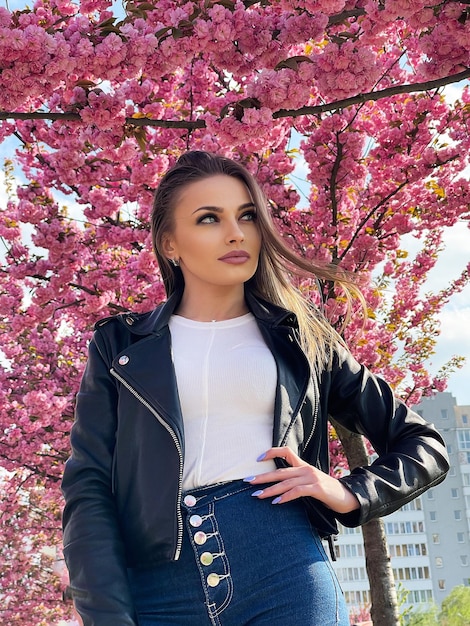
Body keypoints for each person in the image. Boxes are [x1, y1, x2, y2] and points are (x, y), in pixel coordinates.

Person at [61, 150, 449, 626]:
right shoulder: (119, 346)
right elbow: (89, 487)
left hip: (283, 567)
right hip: (156, 585)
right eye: (209, 218)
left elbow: (424, 445)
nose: (236, 232)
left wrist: (348, 493)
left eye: (247, 215)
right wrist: (106, 614)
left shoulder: (303, 339)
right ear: (169, 244)